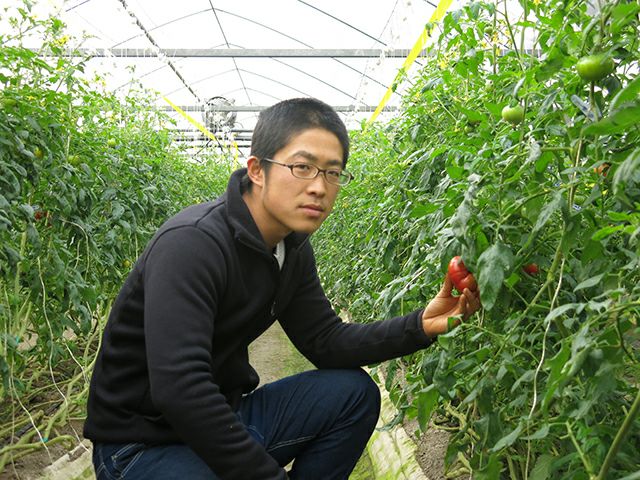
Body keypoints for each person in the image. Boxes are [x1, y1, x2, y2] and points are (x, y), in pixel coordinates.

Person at [83, 97, 481, 479]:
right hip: (140, 445)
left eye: (333, 172)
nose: (319, 187)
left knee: (353, 394)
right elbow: (181, 389)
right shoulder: (192, 244)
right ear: (257, 170)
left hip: (224, 418)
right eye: (303, 167)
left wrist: (419, 326)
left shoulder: (290, 248)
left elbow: (325, 341)